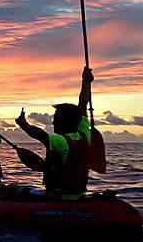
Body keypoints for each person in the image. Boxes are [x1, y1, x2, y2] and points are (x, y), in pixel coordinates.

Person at [15, 67, 94, 199]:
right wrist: (86, 81)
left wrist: (23, 124)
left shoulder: (61, 142)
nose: (53, 123)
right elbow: (82, 104)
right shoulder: (84, 134)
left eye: (56, 120)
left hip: (60, 198)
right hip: (80, 194)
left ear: (64, 121)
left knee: (14, 191)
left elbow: (40, 135)